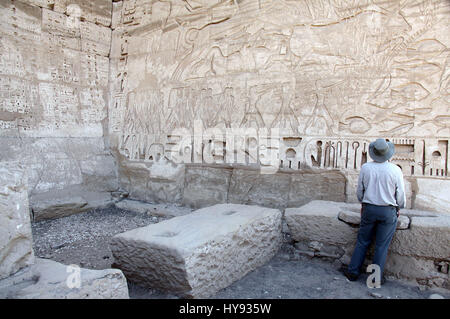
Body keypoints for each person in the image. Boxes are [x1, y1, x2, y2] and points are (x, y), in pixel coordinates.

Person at [343, 138, 406, 284]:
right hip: (387, 210)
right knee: (381, 246)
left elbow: (360, 190)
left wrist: (362, 203)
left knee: (362, 241)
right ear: (388, 153)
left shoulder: (366, 168)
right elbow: (400, 194)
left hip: (369, 208)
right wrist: (399, 207)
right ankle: (374, 278)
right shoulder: (395, 169)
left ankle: (353, 272)